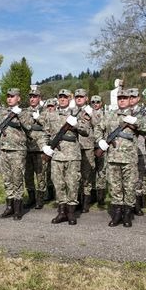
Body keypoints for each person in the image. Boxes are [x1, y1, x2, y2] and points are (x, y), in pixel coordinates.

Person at [95, 89, 146, 227]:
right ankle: (117, 214)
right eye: (119, 98)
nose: (122, 100)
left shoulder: (136, 116)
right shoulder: (110, 115)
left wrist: (137, 122)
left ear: (129, 100)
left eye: (125, 98)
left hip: (129, 159)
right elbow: (98, 128)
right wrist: (100, 141)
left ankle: (127, 215)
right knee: (115, 188)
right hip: (113, 158)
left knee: (129, 187)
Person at [41, 89, 89, 225]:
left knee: (73, 184)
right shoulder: (51, 115)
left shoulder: (77, 114)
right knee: (58, 183)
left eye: (65, 97)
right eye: (60, 97)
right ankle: (61, 212)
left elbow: (86, 131)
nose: (62, 99)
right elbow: (45, 133)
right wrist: (44, 146)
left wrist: (76, 125)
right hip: (56, 155)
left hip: (73, 155)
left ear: (70, 98)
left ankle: (71, 213)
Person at [0, 88, 34, 220]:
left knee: (17, 179)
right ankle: (9, 207)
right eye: (8, 96)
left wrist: (19, 115)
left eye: (12, 96)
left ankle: (18, 209)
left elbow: (29, 127)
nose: (9, 98)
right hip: (3, 150)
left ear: (19, 98)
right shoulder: (1, 112)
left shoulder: (24, 112)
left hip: (17, 151)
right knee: (7, 180)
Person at [129, 88, 146, 215]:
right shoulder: (122, 112)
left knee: (140, 178)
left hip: (140, 149)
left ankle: (138, 204)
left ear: (138, 98)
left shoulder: (143, 113)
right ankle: (129, 203)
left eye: (134, 97)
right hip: (125, 151)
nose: (131, 99)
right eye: (129, 97)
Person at [23, 86, 49, 210]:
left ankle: (40, 199)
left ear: (39, 98)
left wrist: (39, 118)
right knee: (28, 175)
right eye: (31, 97)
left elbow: (49, 127)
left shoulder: (45, 111)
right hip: (27, 148)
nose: (32, 99)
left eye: (35, 97)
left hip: (40, 148)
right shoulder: (24, 111)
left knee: (40, 174)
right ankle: (31, 197)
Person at [73, 88, 96, 212]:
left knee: (86, 175)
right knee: (76, 175)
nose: (79, 99)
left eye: (81, 97)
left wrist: (91, 114)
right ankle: (76, 200)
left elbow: (99, 124)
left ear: (86, 98)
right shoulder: (71, 111)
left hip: (87, 146)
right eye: (77, 97)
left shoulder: (91, 111)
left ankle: (86, 202)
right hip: (74, 147)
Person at [90, 95, 107, 205]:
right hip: (90, 145)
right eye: (93, 102)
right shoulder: (87, 114)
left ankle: (100, 197)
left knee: (101, 171)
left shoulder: (105, 115)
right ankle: (92, 195)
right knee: (90, 170)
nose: (95, 104)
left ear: (101, 103)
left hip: (101, 146)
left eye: (97, 102)